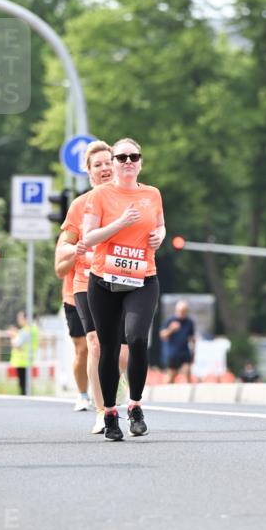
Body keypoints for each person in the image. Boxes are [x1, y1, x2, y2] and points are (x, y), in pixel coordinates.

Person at [83, 138, 165, 440]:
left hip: (143, 279)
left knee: (137, 337)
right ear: (114, 163)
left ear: (140, 161)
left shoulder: (152, 194)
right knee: (108, 348)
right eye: (121, 157)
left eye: (134, 156)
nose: (128, 161)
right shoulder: (100, 195)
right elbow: (89, 238)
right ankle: (109, 413)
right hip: (104, 281)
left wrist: (160, 237)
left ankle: (135, 405)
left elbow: (160, 225)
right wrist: (119, 223)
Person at [57, 141, 129, 433]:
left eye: (107, 163)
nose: (103, 169)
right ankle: (101, 410)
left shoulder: (129, 199)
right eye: (96, 165)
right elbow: (64, 243)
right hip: (86, 282)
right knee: (94, 344)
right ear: (88, 172)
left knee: (123, 351)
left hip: (122, 280)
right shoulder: (80, 204)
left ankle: (116, 382)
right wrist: (70, 249)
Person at [54, 234, 90, 413]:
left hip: (103, 297)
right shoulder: (68, 237)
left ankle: (108, 392)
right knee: (82, 349)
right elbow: (60, 271)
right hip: (74, 298)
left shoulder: (106, 227)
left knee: (102, 348)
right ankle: (83, 394)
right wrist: (76, 253)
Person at [160, 299, 195, 383]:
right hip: (173, 352)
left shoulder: (189, 322)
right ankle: (165, 390)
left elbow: (191, 338)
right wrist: (171, 329)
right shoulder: (170, 320)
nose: (182, 313)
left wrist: (193, 351)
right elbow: (162, 335)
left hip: (184, 351)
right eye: (180, 311)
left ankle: (189, 392)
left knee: (187, 371)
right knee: (172, 373)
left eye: (184, 311)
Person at [9, 310, 39, 395]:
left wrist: (13, 336)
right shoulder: (33, 328)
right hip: (28, 359)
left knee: (23, 386)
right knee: (26, 385)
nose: (19, 320)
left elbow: (16, 343)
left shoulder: (26, 330)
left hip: (22, 361)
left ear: (25, 319)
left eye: (20, 318)